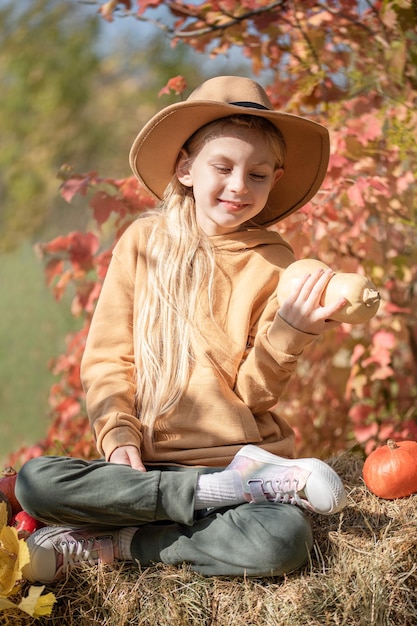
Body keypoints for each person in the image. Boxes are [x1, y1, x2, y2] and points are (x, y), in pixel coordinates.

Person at [16, 75, 348, 583]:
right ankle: (210, 498)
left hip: (237, 460)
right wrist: (117, 434)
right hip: (148, 473)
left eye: (258, 175)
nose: (239, 186)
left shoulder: (276, 264)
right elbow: (108, 358)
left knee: (283, 540)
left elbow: (254, 396)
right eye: (223, 167)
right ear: (186, 168)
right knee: (35, 483)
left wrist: (291, 330)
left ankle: (126, 540)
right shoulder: (143, 242)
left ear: (275, 179)